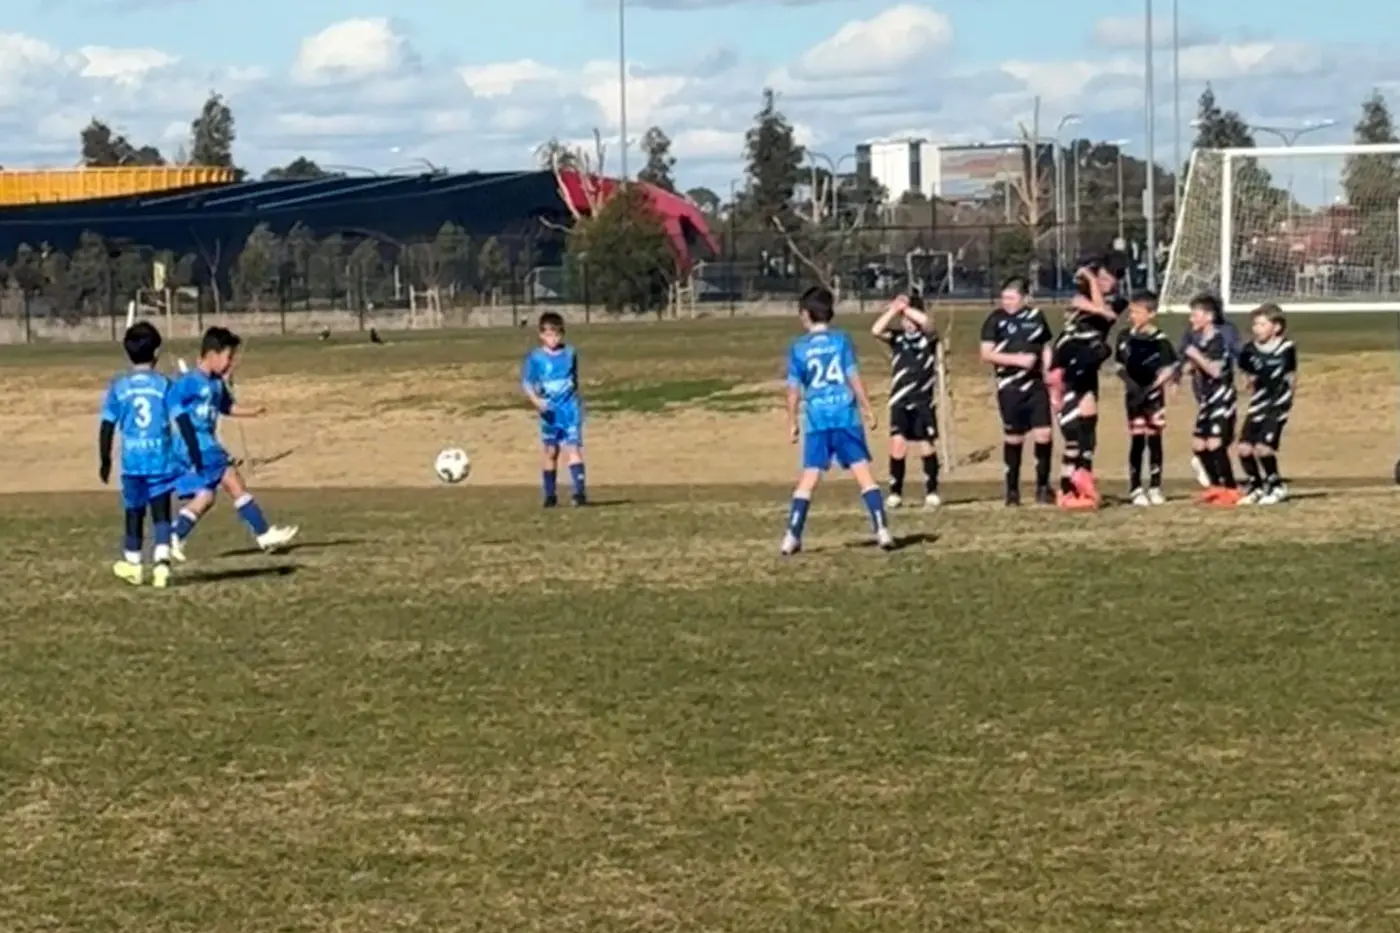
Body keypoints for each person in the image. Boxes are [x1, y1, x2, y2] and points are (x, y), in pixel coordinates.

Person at [168, 327, 299, 560]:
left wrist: (253, 411)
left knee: (206, 497)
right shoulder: (189, 382)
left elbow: (227, 407)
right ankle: (263, 533)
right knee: (233, 479)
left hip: (205, 444)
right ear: (212, 354)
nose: (230, 364)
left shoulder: (217, 384)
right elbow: (171, 401)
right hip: (196, 445)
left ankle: (175, 536)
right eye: (228, 357)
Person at [780, 285, 893, 556]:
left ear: (806, 314)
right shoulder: (841, 340)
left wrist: (792, 420)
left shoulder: (798, 348)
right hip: (845, 417)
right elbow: (853, 376)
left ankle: (792, 535)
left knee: (809, 477)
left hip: (818, 421)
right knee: (863, 473)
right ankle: (882, 530)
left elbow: (793, 389)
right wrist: (867, 408)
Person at [99, 322, 203, 587]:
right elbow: (183, 420)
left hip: (132, 463)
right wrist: (194, 452)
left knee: (133, 512)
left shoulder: (120, 388)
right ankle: (161, 565)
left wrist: (105, 459)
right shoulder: (165, 385)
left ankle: (133, 564)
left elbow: (107, 425)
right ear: (156, 352)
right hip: (161, 459)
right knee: (161, 513)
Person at [1046, 261, 1125, 507]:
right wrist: (1089, 286)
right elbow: (1080, 304)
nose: (1102, 283)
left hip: (1088, 364)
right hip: (1069, 363)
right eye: (1098, 278)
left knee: (1088, 426)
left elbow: (1106, 312)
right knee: (1072, 432)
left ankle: (1080, 480)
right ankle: (1068, 488)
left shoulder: (1117, 301)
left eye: (1106, 280)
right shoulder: (1080, 298)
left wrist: (1091, 282)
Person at [979, 276, 1054, 506]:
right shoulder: (995, 320)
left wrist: (1049, 371)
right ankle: (1012, 490)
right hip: (1009, 387)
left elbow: (1046, 346)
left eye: (1012, 298)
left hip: (1036, 386)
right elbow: (986, 353)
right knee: (1014, 437)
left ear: (1025, 298)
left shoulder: (1037, 317)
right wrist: (1017, 360)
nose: (1007, 302)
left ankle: (1043, 487)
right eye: (1004, 298)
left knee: (1044, 435)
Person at [870, 293, 941, 509]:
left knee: (925, 445)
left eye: (911, 319)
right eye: (904, 320)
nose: (908, 324)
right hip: (900, 401)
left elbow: (927, 324)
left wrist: (907, 308)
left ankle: (931, 490)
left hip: (922, 401)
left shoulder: (928, 338)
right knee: (897, 445)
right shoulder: (898, 338)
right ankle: (895, 492)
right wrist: (894, 309)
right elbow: (876, 330)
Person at [1113, 291, 1177, 505]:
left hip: (1154, 397)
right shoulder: (1125, 337)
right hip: (1133, 396)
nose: (1132, 316)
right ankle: (1136, 487)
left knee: (1155, 438)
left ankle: (1156, 486)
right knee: (1137, 439)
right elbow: (1118, 365)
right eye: (1131, 312)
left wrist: (1152, 387)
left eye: (1137, 312)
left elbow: (1169, 368)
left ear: (1150, 314)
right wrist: (1131, 385)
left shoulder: (1160, 340)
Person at [1179, 294, 1242, 505]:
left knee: (1215, 444)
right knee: (1199, 445)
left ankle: (1230, 487)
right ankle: (1215, 485)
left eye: (1194, 315)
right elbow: (1193, 365)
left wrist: (1195, 355)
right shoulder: (1201, 340)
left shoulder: (1218, 339)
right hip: (1206, 398)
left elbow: (1216, 370)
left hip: (1220, 397)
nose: (1191, 319)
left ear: (1208, 316)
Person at [522, 312, 587, 507]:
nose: (553, 338)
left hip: (569, 409)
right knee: (551, 451)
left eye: (557, 334)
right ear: (541, 335)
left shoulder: (570, 353)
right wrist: (536, 400)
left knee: (573, 448)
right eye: (549, 334)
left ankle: (579, 493)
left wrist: (573, 398)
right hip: (549, 412)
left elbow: (574, 379)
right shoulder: (536, 358)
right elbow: (527, 382)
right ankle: (550, 495)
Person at [1236, 303, 1297, 504]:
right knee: (1244, 448)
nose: (1256, 329)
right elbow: (1245, 369)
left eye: (1262, 324)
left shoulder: (1286, 348)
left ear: (1276, 327)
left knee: (1263, 448)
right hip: (1258, 403)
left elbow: (1290, 375)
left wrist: (1287, 399)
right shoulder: (1249, 349)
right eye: (1255, 324)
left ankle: (1276, 485)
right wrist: (1248, 379)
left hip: (1277, 404)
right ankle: (1255, 485)